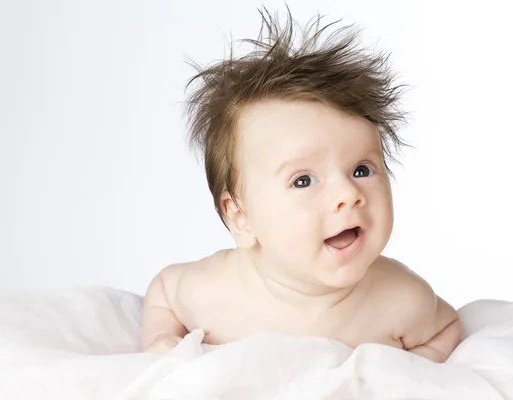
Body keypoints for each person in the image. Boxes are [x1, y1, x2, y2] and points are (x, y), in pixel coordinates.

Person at [141, 8, 461, 363]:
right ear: (240, 217)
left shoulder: (402, 300)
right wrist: (161, 338)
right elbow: (164, 291)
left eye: (361, 170)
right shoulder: (214, 292)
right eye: (303, 180)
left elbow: (446, 328)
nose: (348, 195)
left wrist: (413, 372)